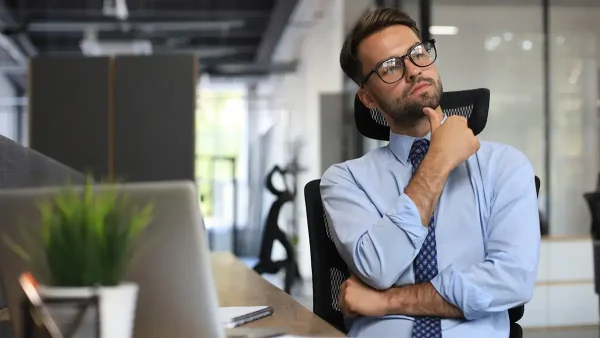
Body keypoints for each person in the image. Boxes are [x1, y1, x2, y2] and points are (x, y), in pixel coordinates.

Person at [320, 7, 540, 338]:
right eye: (390, 67)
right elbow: (377, 268)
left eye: (417, 53)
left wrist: (386, 302)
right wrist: (437, 161)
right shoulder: (345, 180)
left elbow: (513, 281)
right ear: (368, 98)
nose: (412, 71)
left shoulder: (505, 166)